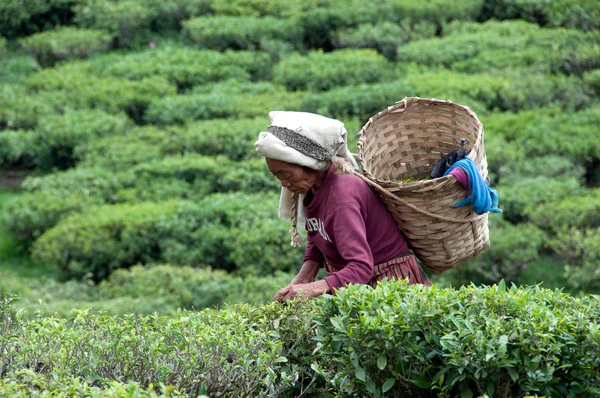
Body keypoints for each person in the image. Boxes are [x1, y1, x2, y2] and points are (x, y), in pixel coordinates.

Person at [254, 111, 432, 302]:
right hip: (355, 282)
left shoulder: (341, 199)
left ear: (308, 163)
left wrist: (315, 287)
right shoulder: (313, 187)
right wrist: (302, 279)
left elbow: (361, 267)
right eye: (277, 176)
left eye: (286, 174)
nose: (284, 183)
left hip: (388, 282)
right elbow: (318, 233)